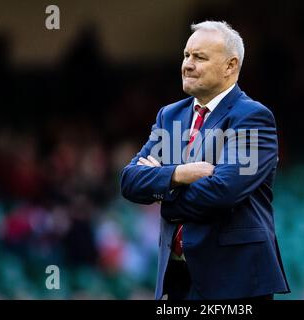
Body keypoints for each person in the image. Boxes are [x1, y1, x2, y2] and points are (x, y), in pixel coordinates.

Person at [120, 20, 290, 300]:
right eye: (186, 55)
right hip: (176, 280)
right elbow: (129, 181)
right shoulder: (169, 115)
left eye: (199, 57)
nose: (187, 64)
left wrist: (163, 194)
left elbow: (223, 191)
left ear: (230, 66)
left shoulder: (252, 117)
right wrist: (180, 175)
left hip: (234, 281)